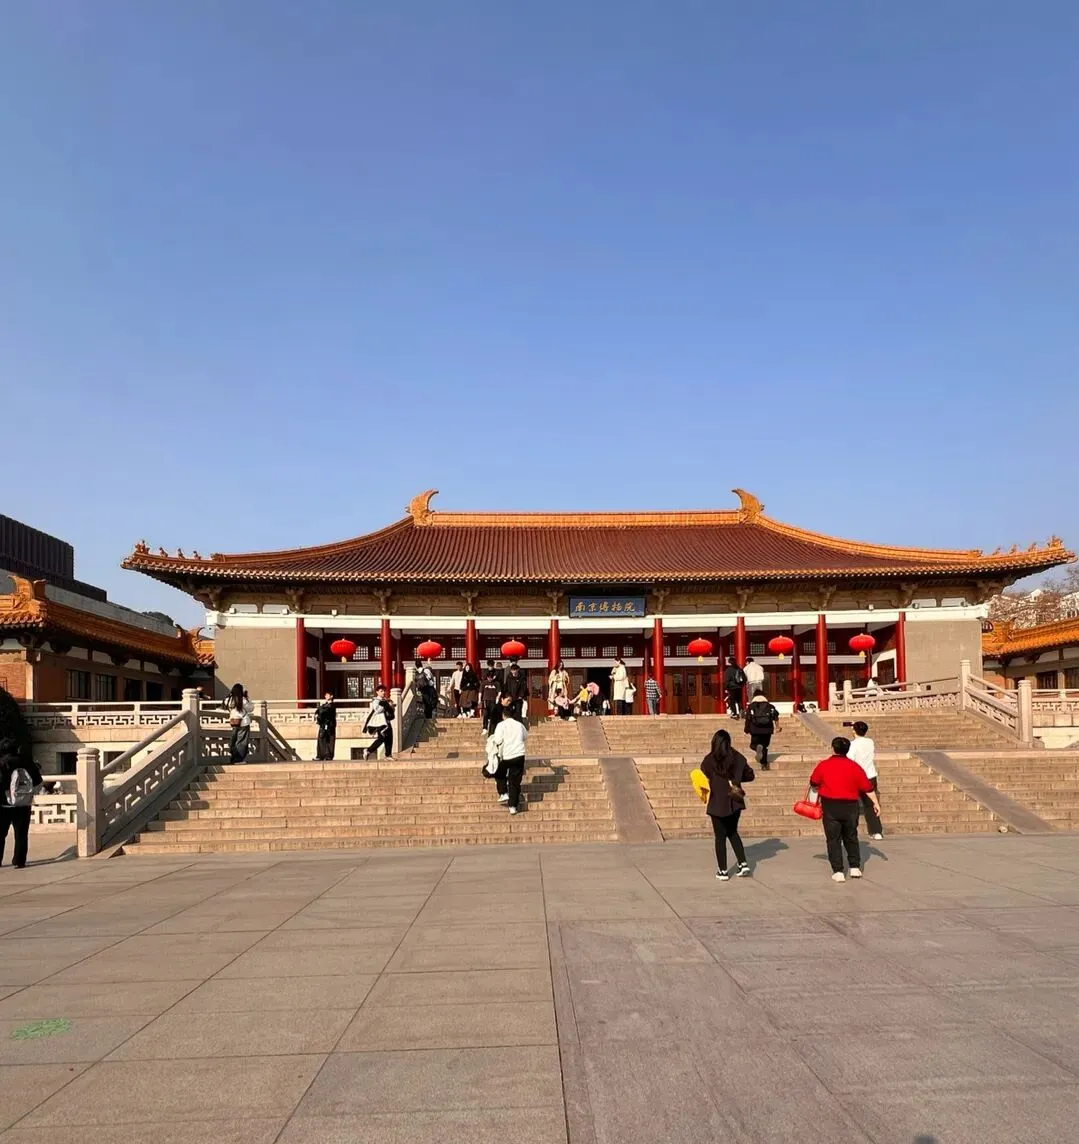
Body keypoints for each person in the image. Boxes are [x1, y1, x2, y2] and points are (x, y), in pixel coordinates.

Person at [809, 737, 881, 882]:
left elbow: (814, 782)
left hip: (831, 806)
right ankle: (855, 867)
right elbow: (867, 788)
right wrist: (876, 803)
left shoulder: (824, 765)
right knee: (851, 836)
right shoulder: (855, 767)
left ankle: (838, 871)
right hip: (850, 806)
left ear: (833, 748)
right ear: (847, 750)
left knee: (833, 839)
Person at [700, 728, 754, 880]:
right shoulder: (738, 758)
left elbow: (703, 772)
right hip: (734, 800)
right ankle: (743, 863)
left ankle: (723, 871)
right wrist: (737, 778)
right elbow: (750, 775)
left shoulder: (709, 760)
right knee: (732, 832)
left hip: (717, 801)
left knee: (720, 837)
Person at [0, 738, 42, 869]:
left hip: (4, 804)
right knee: (21, 834)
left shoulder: (2, 762)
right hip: (24, 804)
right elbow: (38, 781)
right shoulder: (26, 761)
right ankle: (19, 861)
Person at [490, 699, 529, 814]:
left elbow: (498, 740)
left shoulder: (501, 725)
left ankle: (503, 792)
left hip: (506, 755)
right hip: (519, 754)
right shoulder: (519, 725)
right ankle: (513, 806)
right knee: (514, 781)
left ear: (503, 715)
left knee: (499, 773)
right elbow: (525, 736)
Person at [847, 720, 883, 839]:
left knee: (852, 805)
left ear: (854, 731)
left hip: (857, 777)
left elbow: (850, 760)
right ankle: (876, 831)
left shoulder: (852, 745)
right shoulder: (870, 742)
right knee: (870, 804)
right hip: (870, 775)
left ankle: (850, 830)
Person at [744, 690, 780, 770]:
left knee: (753, 745)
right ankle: (764, 764)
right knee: (764, 746)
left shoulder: (751, 706)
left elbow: (748, 719)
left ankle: (757, 748)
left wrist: (746, 729)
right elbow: (776, 716)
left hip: (755, 729)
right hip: (767, 729)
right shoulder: (770, 706)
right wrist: (778, 727)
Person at [363, 684, 395, 760]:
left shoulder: (385, 700)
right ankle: (368, 750)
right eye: (381, 691)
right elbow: (377, 710)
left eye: (384, 691)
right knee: (381, 738)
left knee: (389, 738)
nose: (383, 692)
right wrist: (385, 706)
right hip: (380, 723)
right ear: (377, 692)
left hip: (386, 722)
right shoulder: (376, 701)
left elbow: (390, 710)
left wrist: (390, 706)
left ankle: (388, 755)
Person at [226, 683, 254, 763]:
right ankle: (238, 759)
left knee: (234, 740)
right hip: (243, 722)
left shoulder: (228, 699)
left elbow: (225, 706)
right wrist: (247, 698)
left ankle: (233, 757)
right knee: (242, 741)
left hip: (234, 721)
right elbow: (251, 708)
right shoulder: (242, 699)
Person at [314, 691, 337, 760]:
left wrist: (321, 710)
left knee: (329, 740)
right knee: (321, 740)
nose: (326, 696)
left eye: (327, 695)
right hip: (323, 725)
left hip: (330, 725)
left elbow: (326, 712)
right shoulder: (323, 705)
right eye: (325, 695)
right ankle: (320, 755)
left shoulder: (332, 705)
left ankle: (328, 756)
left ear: (331, 696)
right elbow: (317, 711)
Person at [481, 664, 503, 736]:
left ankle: (492, 728)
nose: (489, 679)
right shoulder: (484, 683)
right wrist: (479, 699)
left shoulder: (496, 683)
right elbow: (480, 692)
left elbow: (499, 691)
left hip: (493, 700)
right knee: (486, 713)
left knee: (493, 713)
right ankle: (485, 728)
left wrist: (497, 698)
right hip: (486, 700)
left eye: (491, 677)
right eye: (488, 677)